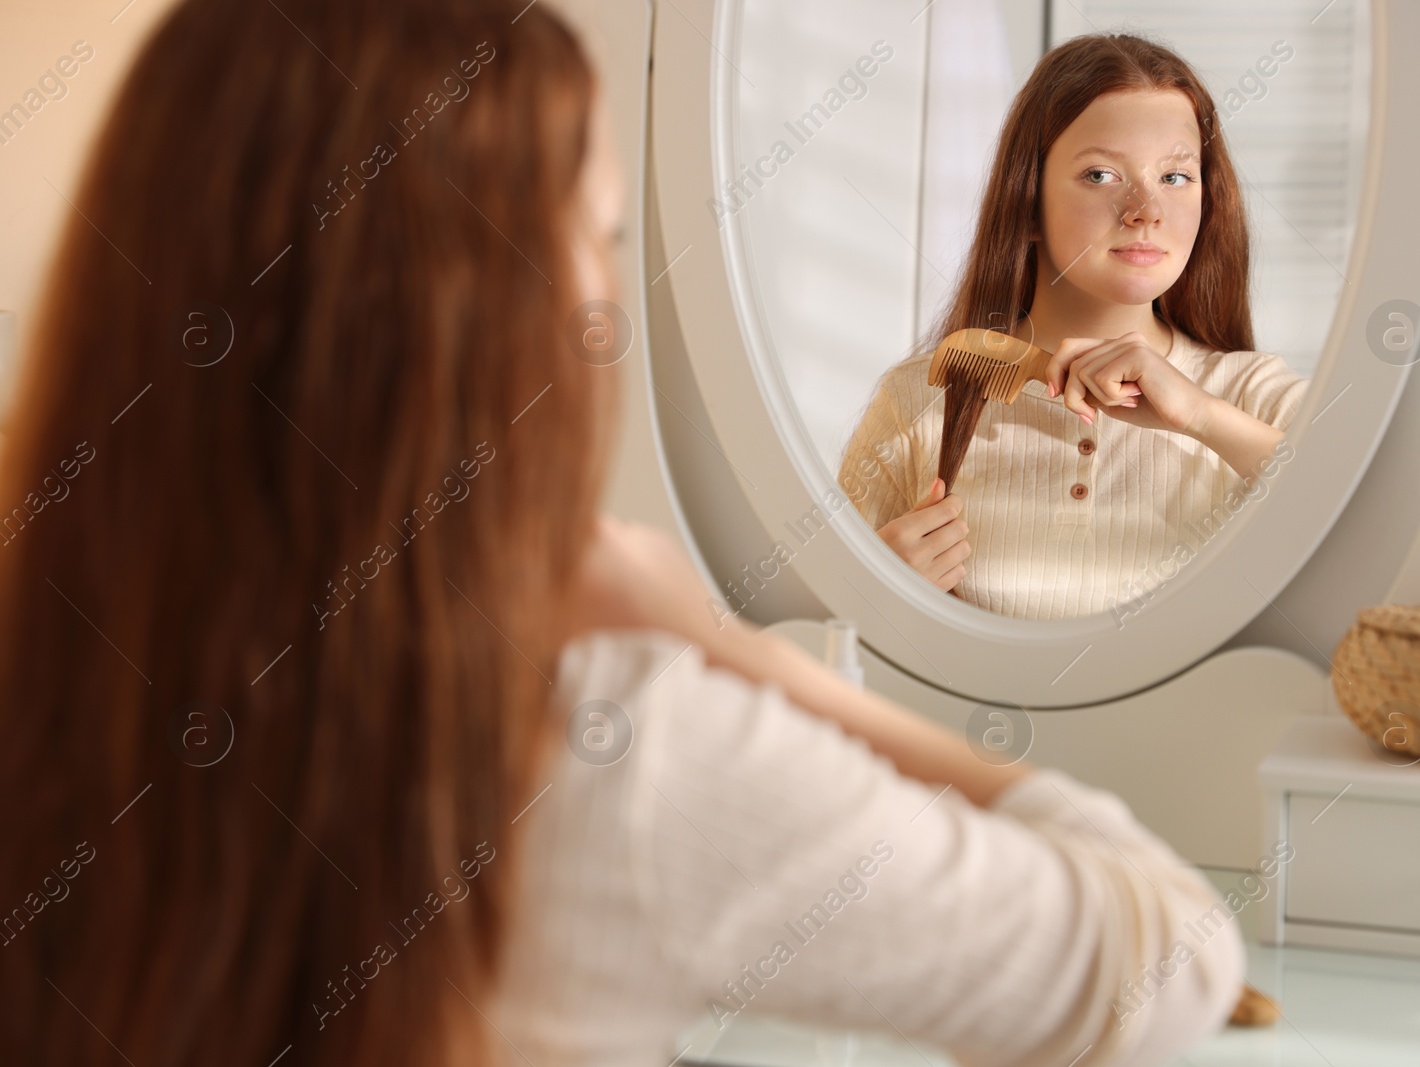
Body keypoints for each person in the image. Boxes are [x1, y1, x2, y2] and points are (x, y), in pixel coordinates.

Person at [0, 4, 1246, 1066]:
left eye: (1177, 171)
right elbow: (1166, 957)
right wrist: (728, 652)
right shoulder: (627, 753)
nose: (1145, 204)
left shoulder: (53, 676)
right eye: (596, 239)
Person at [840, 33, 1308, 622]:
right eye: (1100, 175)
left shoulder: (1256, 397)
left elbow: (1364, 522)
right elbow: (822, 658)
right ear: (1027, 203)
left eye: (1174, 177)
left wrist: (1201, 416)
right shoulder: (918, 400)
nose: (1145, 209)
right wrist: (871, 596)